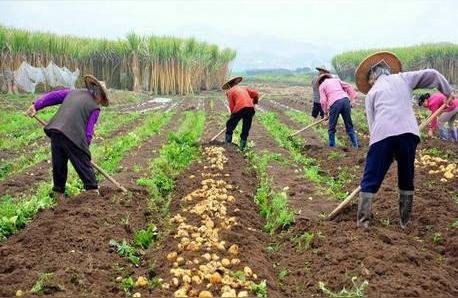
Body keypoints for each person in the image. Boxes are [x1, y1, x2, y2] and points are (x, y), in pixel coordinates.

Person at [354, 51, 454, 229]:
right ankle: (404, 222)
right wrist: (448, 92)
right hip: (408, 133)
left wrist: (381, 151)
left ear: (373, 78)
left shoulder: (371, 94)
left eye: (369, 81)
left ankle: (363, 223)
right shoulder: (403, 78)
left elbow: (372, 125)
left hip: (382, 135)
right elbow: (432, 74)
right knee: (406, 176)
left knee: (371, 177)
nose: (370, 83)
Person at [26, 75, 109, 199]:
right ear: (99, 95)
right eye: (101, 99)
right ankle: (92, 191)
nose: (100, 102)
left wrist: (36, 105)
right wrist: (84, 149)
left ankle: (58, 194)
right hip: (73, 136)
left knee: (59, 164)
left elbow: (52, 97)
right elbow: (88, 133)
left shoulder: (72, 93)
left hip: (56, 131)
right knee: (83, 164)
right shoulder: (95, 108)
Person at [318, 73, 359, 148]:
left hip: (335, 103)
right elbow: (349, 86)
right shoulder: (336, 80)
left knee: (331, 127)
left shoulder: (322, 85)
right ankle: (355, 146)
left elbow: (323, 101)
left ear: (320, 81)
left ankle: (332, 147)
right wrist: (353, 99)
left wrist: (325, 113)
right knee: (349, 125)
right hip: (345, 100)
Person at [222, 76, 259, 151]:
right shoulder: (244, 88)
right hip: (250, 108)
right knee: (246, 127)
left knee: (229, 125)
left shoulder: (230, 92)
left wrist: (233, 118)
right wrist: (255, 101)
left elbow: (232, 107)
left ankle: (227, 144)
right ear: (236, 83)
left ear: (229, 85)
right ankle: (242, 147)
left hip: (240, 108)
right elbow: (255, 94)